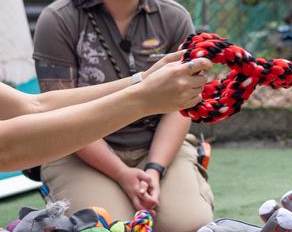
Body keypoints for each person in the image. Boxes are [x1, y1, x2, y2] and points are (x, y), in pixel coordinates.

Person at [32, 0, 213, 232]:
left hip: (156, 147)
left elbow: (181, 106)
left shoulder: (175, 18)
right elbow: (57, 115)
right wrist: (121, 173)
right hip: (76, 145)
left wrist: (155, 169)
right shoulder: (58, 21)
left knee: (191, 228)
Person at [0, 53, 210, 172]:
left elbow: (33, 106)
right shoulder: (61, 18)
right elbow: (6, 149)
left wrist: (142, 80)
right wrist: (142, 99)